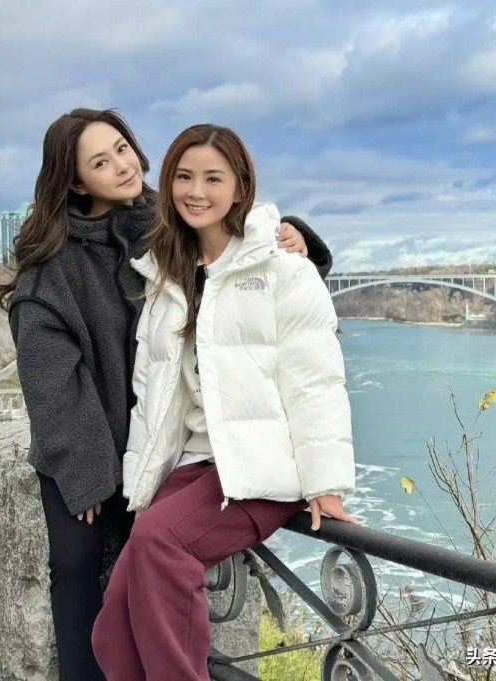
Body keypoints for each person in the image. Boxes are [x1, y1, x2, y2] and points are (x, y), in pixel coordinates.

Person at [0, 108, 333, 681]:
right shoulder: (54, 270)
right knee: (77, 563)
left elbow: (240, 246)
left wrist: (293, 235)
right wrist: (86, 470)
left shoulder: (162, 220)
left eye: (123, 148)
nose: (123, 165)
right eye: (101, 162)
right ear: (76, 182)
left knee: (148, 556)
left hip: (163, 438)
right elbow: (51, 383)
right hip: (86, 440)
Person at [91, 123, 356, 681]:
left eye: (214, 178)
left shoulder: (284, 270)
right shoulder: (167, 277)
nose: (196, 191)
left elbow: (315, 382)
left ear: (241, 187)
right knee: (113, 622)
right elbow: (152, 393)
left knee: (162, 544)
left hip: (260, 467)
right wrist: (143, 482)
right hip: (195, 465)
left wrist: (326, 482)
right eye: (184, 177)